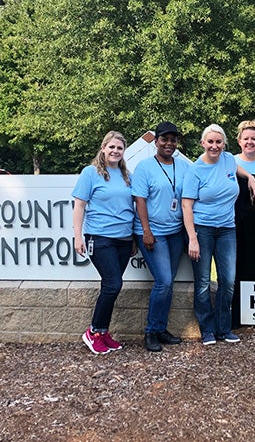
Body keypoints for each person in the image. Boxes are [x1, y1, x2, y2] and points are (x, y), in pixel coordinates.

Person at [182, 124, 255, 345]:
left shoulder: (228, 160)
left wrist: (250, 176)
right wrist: (193, 238)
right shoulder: (195, 170)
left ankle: (223, 328)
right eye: (210, 142)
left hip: (227, 229)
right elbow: (187, 206)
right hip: (202, 230)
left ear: (224, 144)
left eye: (219, 142)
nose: (214, 146)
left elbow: (236, 169)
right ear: (203, 144)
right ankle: (207, 329)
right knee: (204, 281)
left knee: (228, 280)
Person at [72, 131, 135, 355]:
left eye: (119, 148)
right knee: (113, 284)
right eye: (112, 147)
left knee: (111, 287)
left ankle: (103, 332)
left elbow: (134, 207)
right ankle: (93, 332)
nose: (115, 151)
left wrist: (135, 237)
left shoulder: (127, 174)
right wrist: (78, 236)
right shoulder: (91, 173)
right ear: (103, 148)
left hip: (124, 239)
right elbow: (79, 205)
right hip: (99, 237)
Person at [132, 121, 190, 352]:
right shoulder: (144, 167)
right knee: (164, 281)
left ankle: (161, 329)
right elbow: (140, 200)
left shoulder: (184, 167)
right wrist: (146, 231)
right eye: (164, 139)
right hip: (152, 233)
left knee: (168, 283)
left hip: (175, 232)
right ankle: (150, 333)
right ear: (156, 141)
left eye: (173, 140)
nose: (169, 143)